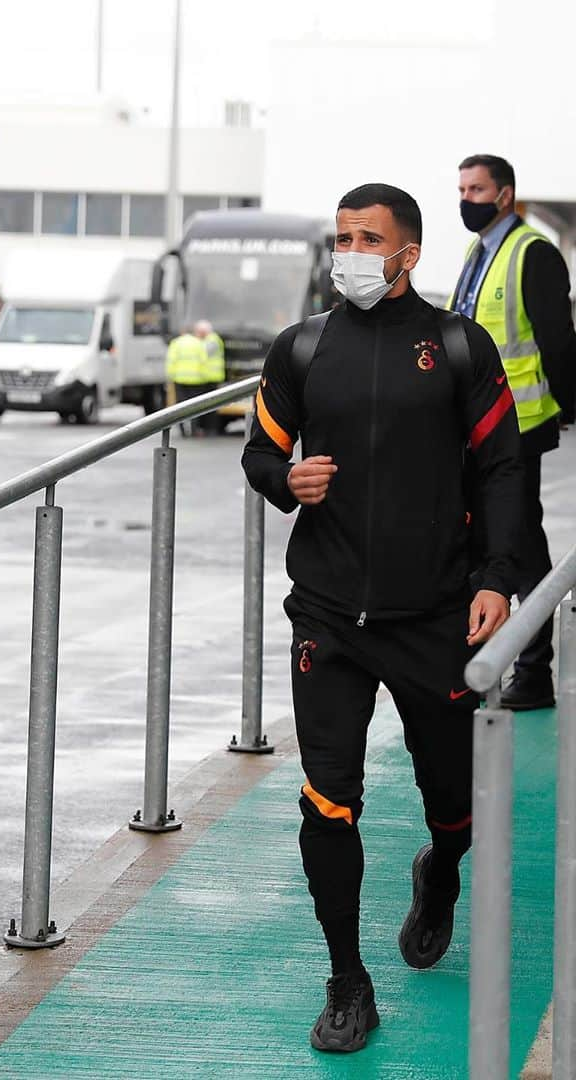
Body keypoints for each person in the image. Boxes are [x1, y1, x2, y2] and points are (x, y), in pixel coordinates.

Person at [242, 183, 522, 1053]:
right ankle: (347, 980)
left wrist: (498, 577)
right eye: (342, 237)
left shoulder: (459, 347)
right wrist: (285, 481)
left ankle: (438, 875)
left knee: (454, 808)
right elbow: (260, 451)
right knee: (329, 800)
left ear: (407, 254)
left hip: (435, 613)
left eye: (368, 238)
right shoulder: (302, 347)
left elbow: (505, 467)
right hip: (327, 614)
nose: (350, 252)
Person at [450, 154, 576, 710]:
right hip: (474, 426)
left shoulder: (533, 253)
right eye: (461, 188)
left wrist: (567, 408)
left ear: (504, 195)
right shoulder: (478, 253)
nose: (466, 199)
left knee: (521, 544)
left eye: (476, 189)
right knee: (480, 541)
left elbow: (559, 343)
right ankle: (484, 662)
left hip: (520, 426)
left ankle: (532, 668)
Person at [165, 322, 207, 435]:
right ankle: (193, 428)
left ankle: (182, 430)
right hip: (196, 379)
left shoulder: (176, 343)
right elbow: (204, 361)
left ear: (182, 332)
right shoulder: (199, 343)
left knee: (180, 404)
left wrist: (171, 376)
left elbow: (171, 361)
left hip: (180, 379)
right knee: (195, 405)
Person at [196, 318, 226, 434]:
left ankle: (211, 428)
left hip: (212, 377)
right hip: (205, 377)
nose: (198, 334)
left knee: (211, 406)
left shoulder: (212, 340)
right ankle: (207, 427)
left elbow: (204, 353)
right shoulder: (209, 339)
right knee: (207, 405)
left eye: (199, 332)